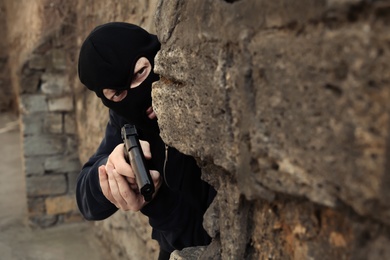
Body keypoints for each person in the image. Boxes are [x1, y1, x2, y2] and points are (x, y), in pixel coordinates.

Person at [76, 22, 216, 260]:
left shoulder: (202, 95)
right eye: (118, 93)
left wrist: (159, 202)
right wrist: (109, 175)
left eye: (140, 72)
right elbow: (85, 200)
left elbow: (206, 239)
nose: (138, 96)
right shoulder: (124, 117)